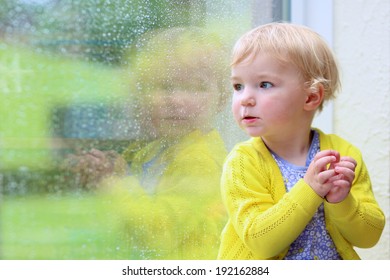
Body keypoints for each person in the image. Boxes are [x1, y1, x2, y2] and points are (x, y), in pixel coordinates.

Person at [217, 22, 385, 260]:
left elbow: (369, 237)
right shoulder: (243, 163)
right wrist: (310, 189)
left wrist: (343, 201)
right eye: (238, 86)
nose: (245, 99)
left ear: (311, 96)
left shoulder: (343, 154)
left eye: (264, 84)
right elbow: (260, 241)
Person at [63, 27, 231, 259]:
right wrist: (113, 170)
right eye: (164, 86)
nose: (176, 100)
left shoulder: (202, 161)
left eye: (195, 87)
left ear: (222, 98)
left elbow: (157, 234)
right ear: (141, 95)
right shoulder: (155, 149)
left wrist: (111, 183)